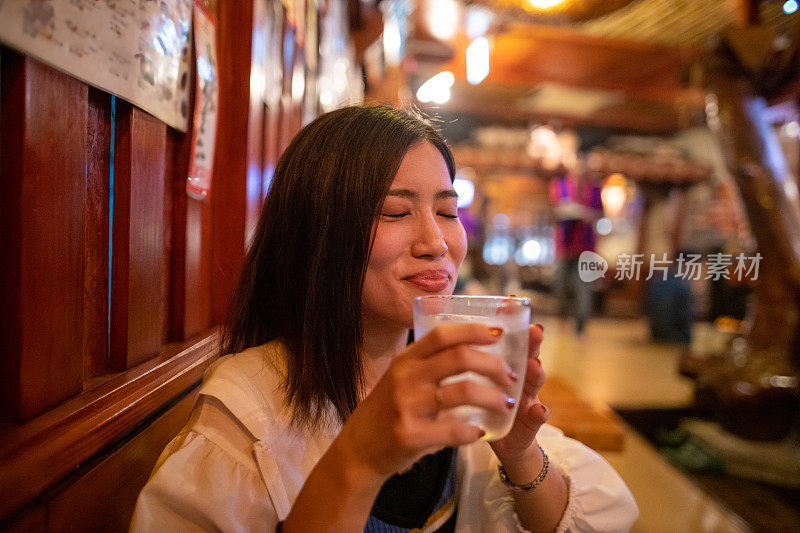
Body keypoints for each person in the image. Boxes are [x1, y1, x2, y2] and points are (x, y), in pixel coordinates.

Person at [131, 105, 637, 532]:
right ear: (318, 234)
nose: (436, 244)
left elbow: (601, 514)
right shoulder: (248, 416)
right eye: (395, 213)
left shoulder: (449, 369)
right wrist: (361, 459)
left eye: (446, 211)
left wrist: (518, 449)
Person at [549, 168, 604, 337]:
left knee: (584, 287)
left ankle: (580, 325)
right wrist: (564, 211)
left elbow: (600, 215)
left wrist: (585, 214)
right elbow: (552, 212)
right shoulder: (559, 185)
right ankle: (562, 319)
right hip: (564, 247)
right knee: (559, 284)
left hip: (586, 247)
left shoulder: (595, 189)